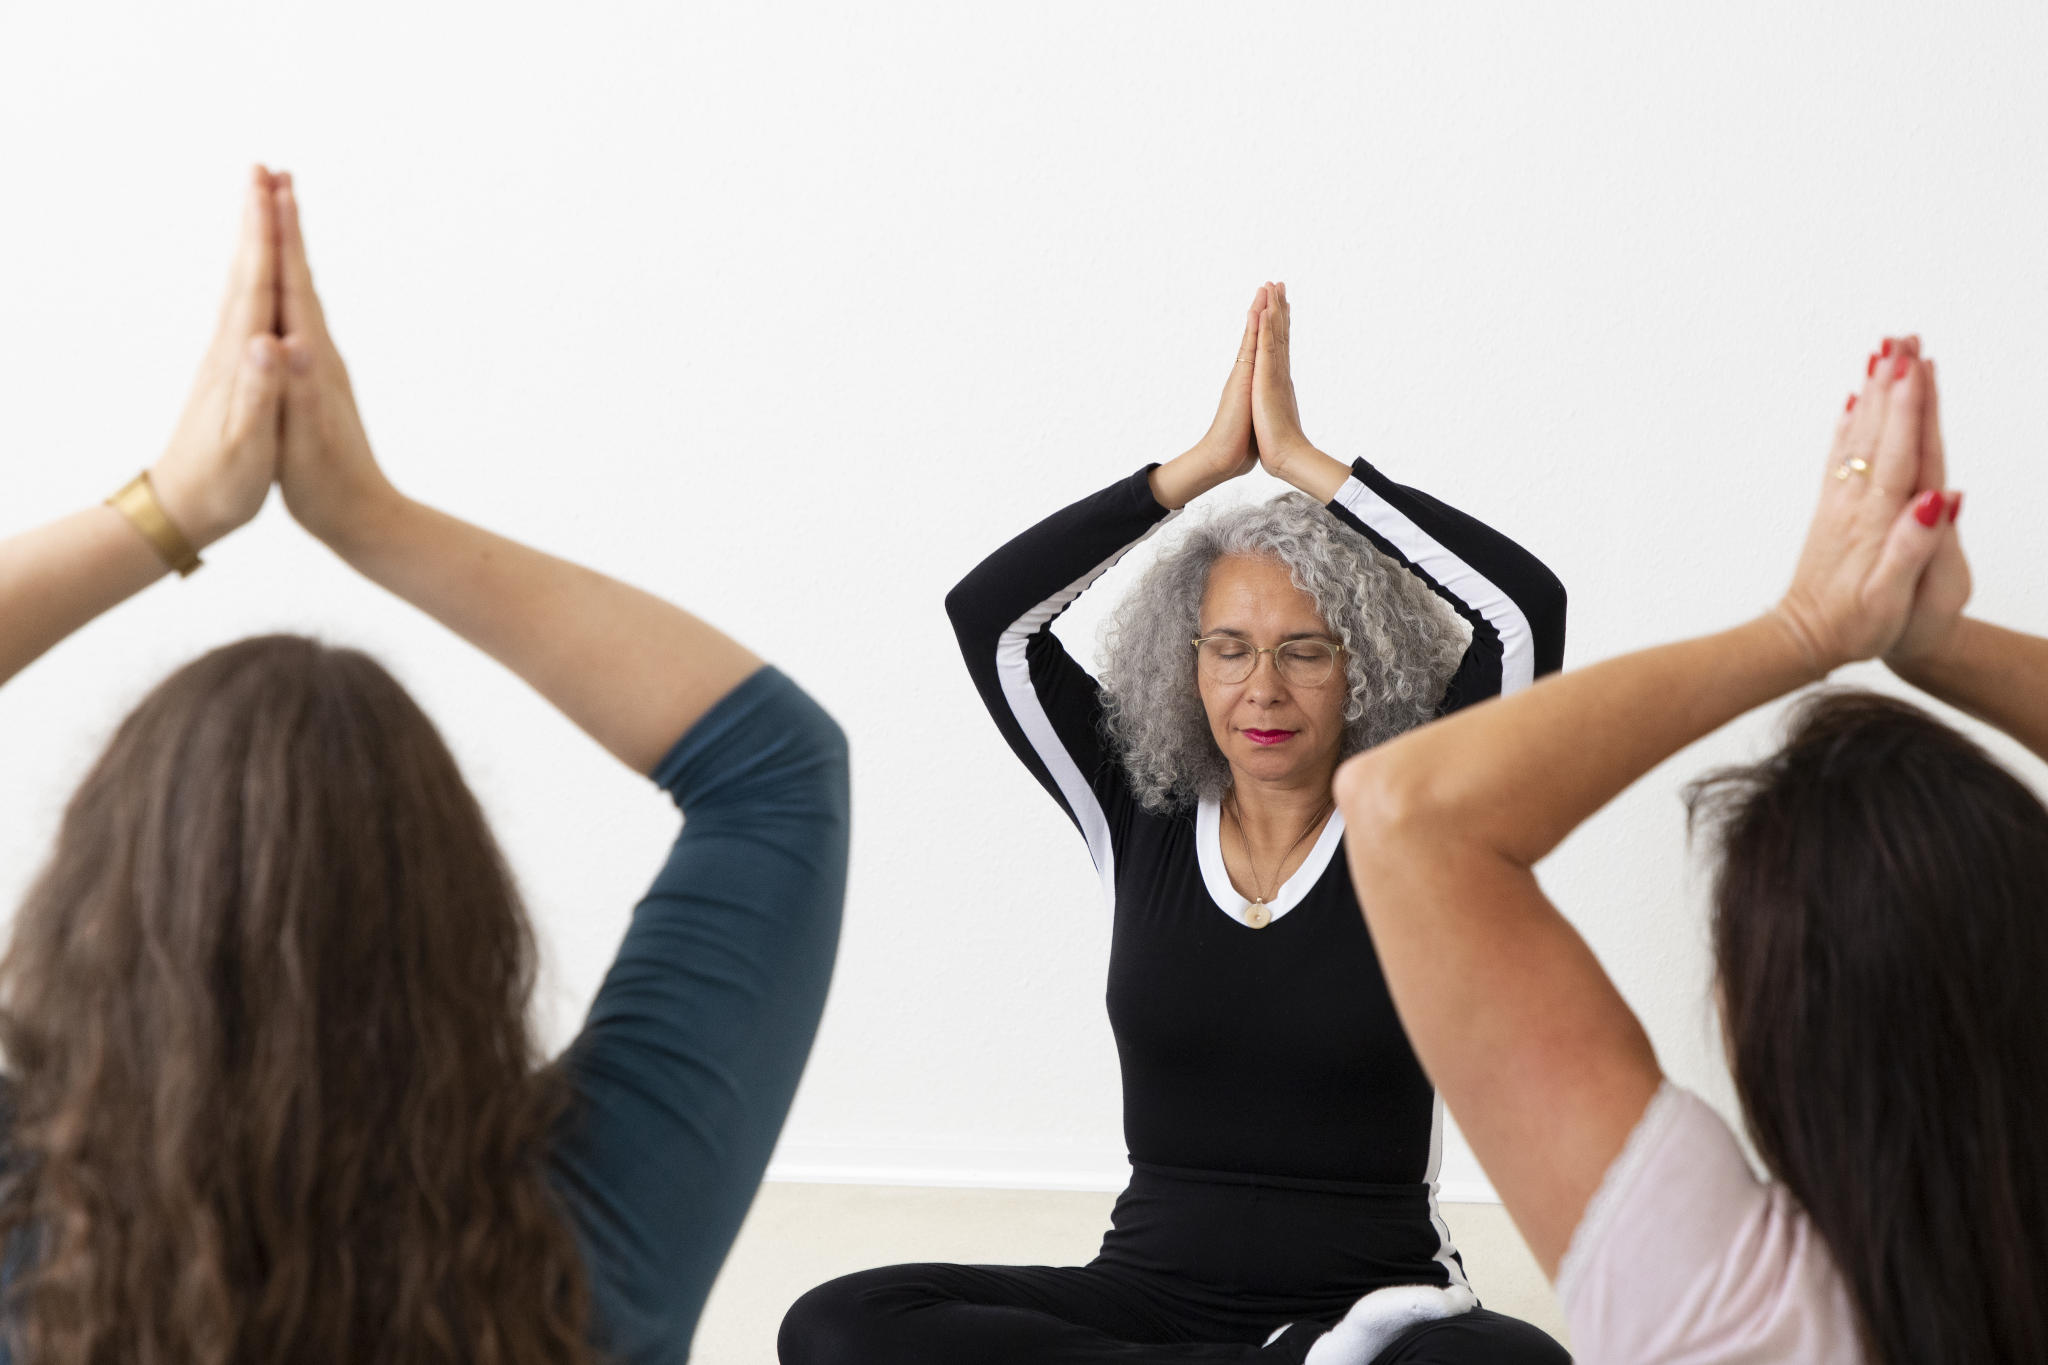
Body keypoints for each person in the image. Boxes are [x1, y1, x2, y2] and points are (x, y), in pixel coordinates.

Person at [0, 165, 849, 1365]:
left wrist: (170, 511)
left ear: (89, 919)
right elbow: (774, 772)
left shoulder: (30, 1245)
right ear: (461, 917)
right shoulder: (596, 1233)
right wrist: (366, 514)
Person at [780, 283, 1569, 1364]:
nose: (1261, 688)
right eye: (1228, 648)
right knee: (836, 1325)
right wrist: (1193, 472)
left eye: (1304, 649)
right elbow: (990, 618)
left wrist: (1304, 464)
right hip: (1145, 1297)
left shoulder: (1424, 818)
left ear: (1365, 668)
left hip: (1372, 1309)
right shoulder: (1134, 809)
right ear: (1186, 663)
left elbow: (1522, 612)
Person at [1331, 337, 2048, 1363]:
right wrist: (1942, 645)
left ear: (1753, 1015)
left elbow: (1407, 811)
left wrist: (1809, 626)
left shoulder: (1719, 1296)